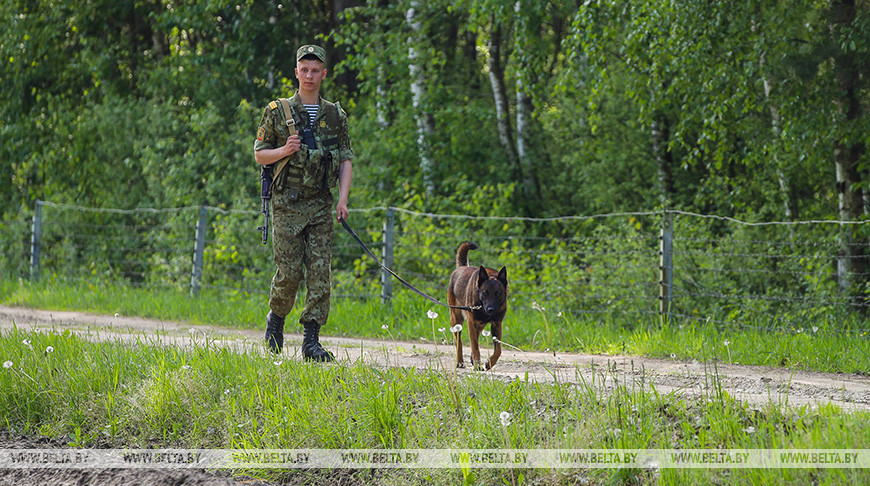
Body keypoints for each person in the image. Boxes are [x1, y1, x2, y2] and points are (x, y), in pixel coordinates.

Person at [253, 44, 354, 361]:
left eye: (315, 70)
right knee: (289, 274)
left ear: (324, 74)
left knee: (320, 274)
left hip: (321, 207)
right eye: (304, 69)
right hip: (287, 205)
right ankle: (276, 325)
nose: (309, 75)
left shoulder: (335, 116)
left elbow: (346, 159)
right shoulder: (277, 111)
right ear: (296, 73)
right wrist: (283, 150)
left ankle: (311, 341)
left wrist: (343, 199)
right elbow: (259, 154)